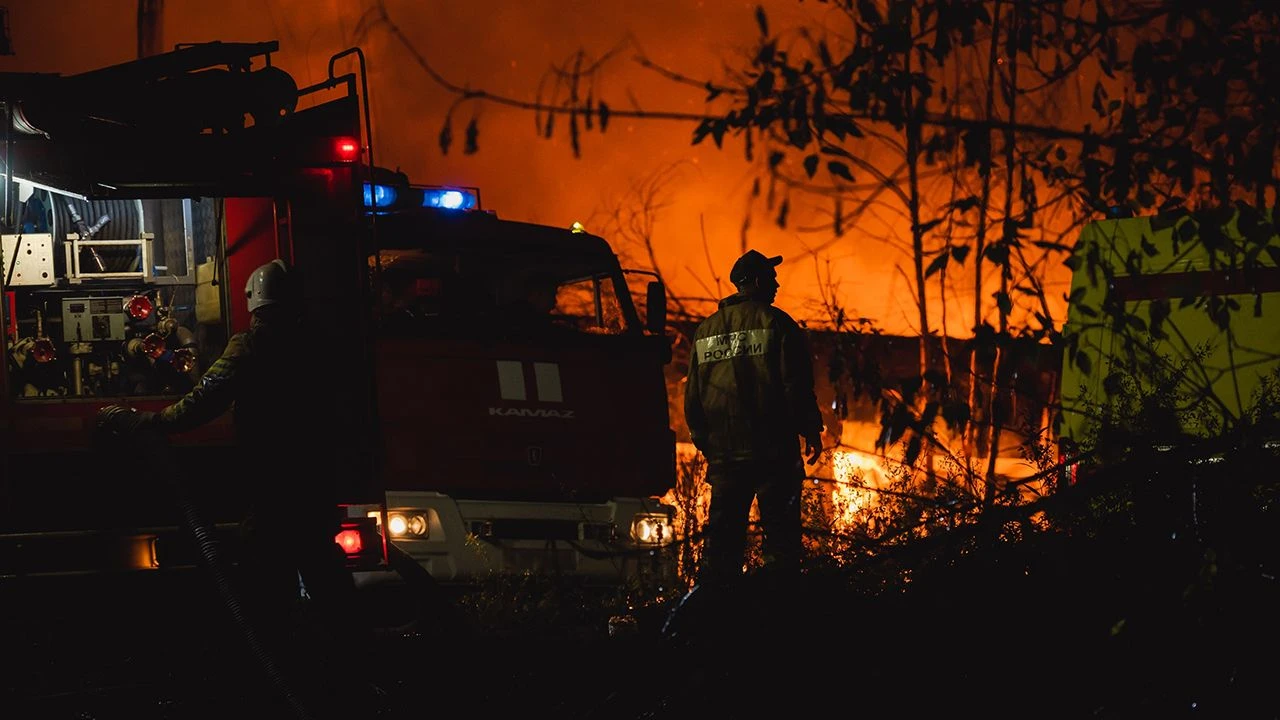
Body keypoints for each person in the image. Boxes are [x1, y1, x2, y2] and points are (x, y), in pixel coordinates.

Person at [96, 259, 373, 716]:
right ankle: (347, 676)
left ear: (252, 302)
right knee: (325, 574)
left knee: (265, 583)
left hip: (272, 488)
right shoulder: (321, 345)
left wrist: (152, 421)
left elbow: (205, 398)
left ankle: (272, 683)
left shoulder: (251, 346)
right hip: (316, 485)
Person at [683, 249, 824, 591]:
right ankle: (776, 614)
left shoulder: (704, 332)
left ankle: (716, 619)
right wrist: (810, 429)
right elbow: (796, 385)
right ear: (757, 282)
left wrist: (710, 446)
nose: (777, 283)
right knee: (781, 541)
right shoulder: (776, 322)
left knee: (722, 547)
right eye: (771, 277)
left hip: (726, 458)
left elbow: (693, 402)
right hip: (773, 454)